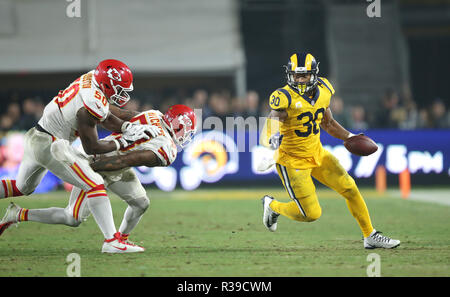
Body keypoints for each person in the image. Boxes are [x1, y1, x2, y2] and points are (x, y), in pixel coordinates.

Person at [0, 59, 160, 253]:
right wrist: (123, 141)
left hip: (37, 135)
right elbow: (92, 146)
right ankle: (111, 241)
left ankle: (16, 214)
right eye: (119, 88)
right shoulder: (91, 100)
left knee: (21, 187)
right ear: (107, 84)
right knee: (95, 183)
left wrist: (127, 125)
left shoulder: (94, 78)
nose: (122, 94)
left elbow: (106, 115)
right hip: (51, 144)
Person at [0, 105, 197, 250]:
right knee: (73, 217)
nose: (186, 134)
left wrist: (97, 104)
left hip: (116, 164)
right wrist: (88, 167)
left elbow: (116, 113)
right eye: (186, 129)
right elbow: (126, 159)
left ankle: (120, 238)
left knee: (141, 203)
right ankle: (17, 214)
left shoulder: (154, 115)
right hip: (104, 163)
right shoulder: (167, 149)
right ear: (179, 125)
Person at [259, 52, 400, 249]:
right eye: (296, 75)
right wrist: (269, 143)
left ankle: (370, 235)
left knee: (350, 188)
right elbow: (273, 118)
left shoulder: (324, 90)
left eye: (305, 75)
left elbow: (329, 123)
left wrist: (349, 137)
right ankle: (272, 206)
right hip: (292, 161)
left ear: (314, 74)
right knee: (311, 214)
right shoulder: (284, 97)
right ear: (290, 75)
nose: (300, 79)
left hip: (317, 153)